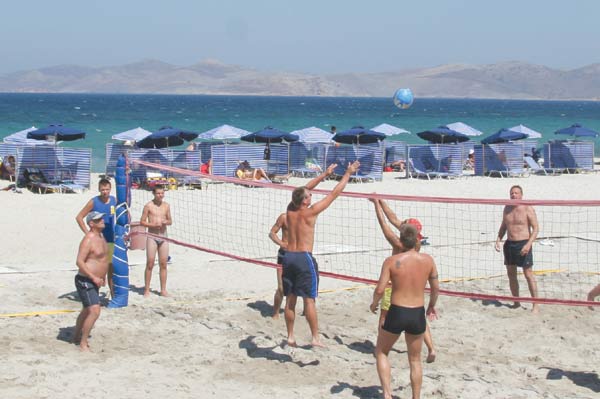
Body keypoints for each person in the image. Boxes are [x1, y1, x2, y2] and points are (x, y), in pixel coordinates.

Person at [283, 160, 360, 347]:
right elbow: (335, 193)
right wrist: (348, 173)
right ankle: (316, 337)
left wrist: (325, 174)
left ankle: (291, 335)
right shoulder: (310, 212)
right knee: (309, 300)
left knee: (291, 299)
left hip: (288, 257)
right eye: (309, 195)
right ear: (305, 201)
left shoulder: (290, 209)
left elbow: (303, 188)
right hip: (303, 258)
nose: (312, 194)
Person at [370, 223, 439, 399]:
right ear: (417, 240)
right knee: (415, 360)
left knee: (382, 352)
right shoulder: (428, 260)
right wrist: (432, 305)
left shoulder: (392, 261)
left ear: (401, 241)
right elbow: (435, 287)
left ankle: (387, 394)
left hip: (397, 310)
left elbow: (380, 289)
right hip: (416, 312)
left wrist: (374, 303)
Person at [370, 198, 436, 363]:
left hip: (395, 286)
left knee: (384, 317)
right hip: (415, 289)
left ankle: (381, 345)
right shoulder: (417, 243)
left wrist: (377, 207)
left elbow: (385, 225)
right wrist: (380, 201)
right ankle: (431, 348)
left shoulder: (398, 244)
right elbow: (393, 218)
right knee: (419, 319)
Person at [495, 185, 540, 312]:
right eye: (512, 193)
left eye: (516, 193)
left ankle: (535, 304)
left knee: (528, 274)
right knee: (511, 275)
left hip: (523, 243)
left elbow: (536, 228)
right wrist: (498, 239)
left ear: (521, 195)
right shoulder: (507, 208)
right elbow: (504, 226)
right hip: (509, 244)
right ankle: (516, 302)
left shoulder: (527, 208)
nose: (514, 195)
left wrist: (528, 244)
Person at [73, 211, 109, 352]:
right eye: (98, 219)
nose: (102, 220)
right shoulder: (88, 239)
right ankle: (83, 343)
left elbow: (103, 259)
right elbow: (79, 262)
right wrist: (93, 277)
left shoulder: (101, 236)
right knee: (94, 311)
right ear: (91, 224)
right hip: (85, 280)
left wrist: (103, 275)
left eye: (101, 218)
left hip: (96, 280)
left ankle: (76, 335)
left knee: (86, 310)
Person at [76, 178, 117, 298]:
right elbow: (79, 217)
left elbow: (123, 211)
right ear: (99, 190)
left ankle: (113, 296)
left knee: (110, 268)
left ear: (110, 189)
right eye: (103, 189)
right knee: (96, 266)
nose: (105, 192)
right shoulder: (94, 202)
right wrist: (87, 233)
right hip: (97, 240)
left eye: (107, 189)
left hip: (110, 239)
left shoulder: (114, 200)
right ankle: (92, 293)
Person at [141, 185, 172, 297]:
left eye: (162, 193)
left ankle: (163, 290)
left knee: (163, 264)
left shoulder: (166, 206)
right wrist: (152, 224)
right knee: (150, 263)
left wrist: (165, 222)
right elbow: (142, 222)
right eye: (158, 193)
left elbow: (170, 221)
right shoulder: (148, 206)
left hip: (163, 236)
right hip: (152, 236)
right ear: (154, 194)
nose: (160, 195)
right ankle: (146, 289)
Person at [268, 212, 288, 319]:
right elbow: (272, 233)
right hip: (284, 255)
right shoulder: (284, 217)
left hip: (299, 255)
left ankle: (305, 311)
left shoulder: (306, 215)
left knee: (300, 287)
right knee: (281, 288)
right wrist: (282, 244)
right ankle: (275, 313)